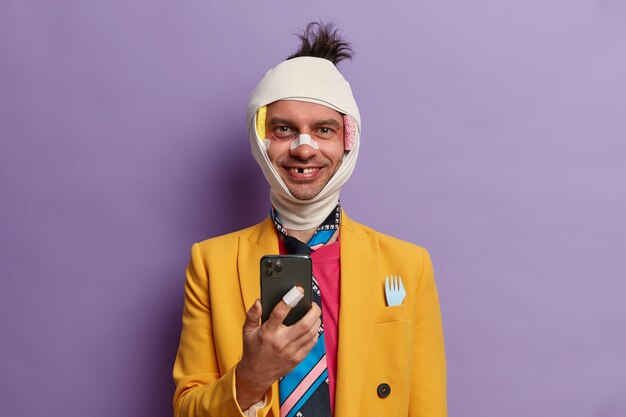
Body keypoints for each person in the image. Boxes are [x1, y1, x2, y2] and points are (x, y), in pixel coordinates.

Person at [173, 22, 447, 417]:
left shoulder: (408, 265)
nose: (305, 148)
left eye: (324, 129)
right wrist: (251, 377)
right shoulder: (210, 264)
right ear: (260, 138)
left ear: (347, 140)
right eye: (284, 129)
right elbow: (186, 410)